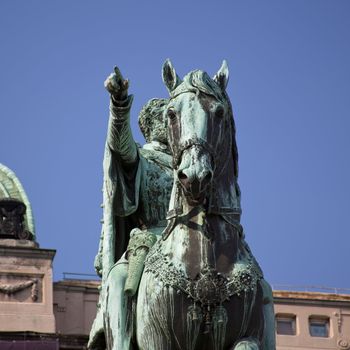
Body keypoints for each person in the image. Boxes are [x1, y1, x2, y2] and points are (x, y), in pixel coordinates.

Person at [88, 67, 173, 350]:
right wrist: (119, 105)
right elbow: (120, 145)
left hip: (197, 240)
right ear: (150, 124)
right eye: (165, 119)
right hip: (149, 243)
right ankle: (120, 343)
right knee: (118, 277)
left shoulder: (191, 164)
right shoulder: (143, 158)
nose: (171, 125)